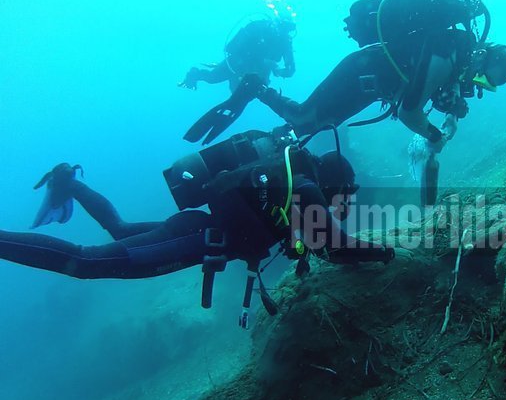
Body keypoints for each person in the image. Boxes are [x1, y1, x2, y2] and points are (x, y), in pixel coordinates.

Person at [0, 129, 394, 328]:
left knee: (119, 231)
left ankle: (70, 182)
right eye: (342, 195)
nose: (338, 205)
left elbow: (310, 243)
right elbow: (334, 248)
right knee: (84, 262)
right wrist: (389, 253)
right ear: (332, 182)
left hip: (201, 228)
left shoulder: (294, 185)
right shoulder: (306, 190)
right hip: (200, 236)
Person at [184, 0, 506, 205]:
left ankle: (242, 163)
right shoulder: (447, 54)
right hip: (360, 74)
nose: (479, 83)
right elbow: (409, 110)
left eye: (487, 85)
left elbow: (430, 91)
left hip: (371, 84)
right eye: (484, 75)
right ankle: (256, 87)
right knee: (304, 120)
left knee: (312, 127)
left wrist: (452, 107)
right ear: (482, 54)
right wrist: (432, 134)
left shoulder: (456, 58)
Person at [179, 8, 297, 93]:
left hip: (259, 71)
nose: (284, 31)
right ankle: (193, 74)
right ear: (276, 22)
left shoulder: (286, 42)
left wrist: (279, 71)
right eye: (283, 26)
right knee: (212, 78)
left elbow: (290, 69)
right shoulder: (259, 27)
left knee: (247, 93)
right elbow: (233, 47)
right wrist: (271, 64)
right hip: (238, 62)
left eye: (288, 29)